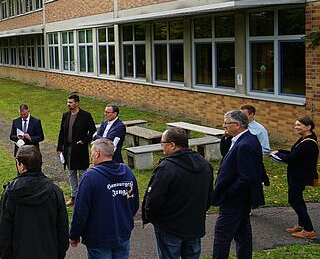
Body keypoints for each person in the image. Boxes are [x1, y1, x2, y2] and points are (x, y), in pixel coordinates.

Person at [142, 127, 213, 259]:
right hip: (194, 225)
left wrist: (152, 217)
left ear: (172, 145)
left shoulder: (166, 168)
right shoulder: (205, 165)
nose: (161, 146)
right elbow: (209, 195)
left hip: (170, 227)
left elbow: (154, 199)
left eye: (163, 143)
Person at [69, 139, 139, 259]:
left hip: (99, 238)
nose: (91, 155)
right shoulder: (127, 172)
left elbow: (81, 211)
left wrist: (74, 234)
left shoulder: (90, 177)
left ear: (97, 153)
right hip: (122, 233)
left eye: (92, 152)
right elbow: (133, 203)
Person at [0, 145, 69, 259]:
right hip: (49, 253)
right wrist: (60, 253)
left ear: (22, 166)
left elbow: (4, 233)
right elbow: (63, 228)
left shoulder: (10, 194)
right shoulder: (54, 191)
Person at [211, 110, 265, 259]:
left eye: (226, 123)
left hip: (235, 200)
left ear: (237, 125)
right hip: (241, 199)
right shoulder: (243, 139)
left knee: (222, 236)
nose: (224, 126)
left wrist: (228, 193)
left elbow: (246, 177)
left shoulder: (245, 144)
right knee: (243, 234)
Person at [271, 117, 319, 239]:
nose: (296, 127)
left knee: (295, 200)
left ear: (308, 127)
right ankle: (302, 225)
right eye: (296, 125)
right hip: (296, 175)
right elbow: (294, 153)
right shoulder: (304, 139)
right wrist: (279, 151)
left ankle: (309, 230)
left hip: (300, 176)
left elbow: (291, 158)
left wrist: (277, 154)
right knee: (298, 200)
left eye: (299, 125)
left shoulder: (308, 143)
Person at [57, 94, 96, 206]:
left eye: (71, 102)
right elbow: (62, 132)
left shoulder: (85, 116)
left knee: (82, 173)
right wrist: (59, 147)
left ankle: (85, 196)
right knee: (71, 172)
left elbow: (93, 131)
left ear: (77, 103)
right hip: (68, 149)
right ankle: (74, 196)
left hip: (79, 149)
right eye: (68, 102)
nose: (68, 104)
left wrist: (84, 141)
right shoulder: (66, 115)